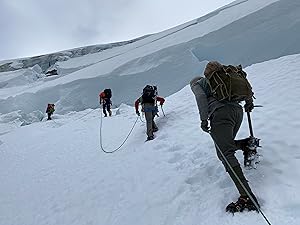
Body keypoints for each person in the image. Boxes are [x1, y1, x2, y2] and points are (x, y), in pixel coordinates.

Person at [190, 61, 259, 213]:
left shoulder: (198, 83)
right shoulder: (228, 77)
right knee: (225, 146)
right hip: (237, 112)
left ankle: (247, 197)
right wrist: (249, 103)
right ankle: (246, 145)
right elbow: (246, 87)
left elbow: (201, 98)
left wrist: (203, 120)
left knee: (225, 153)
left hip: (220, 115)